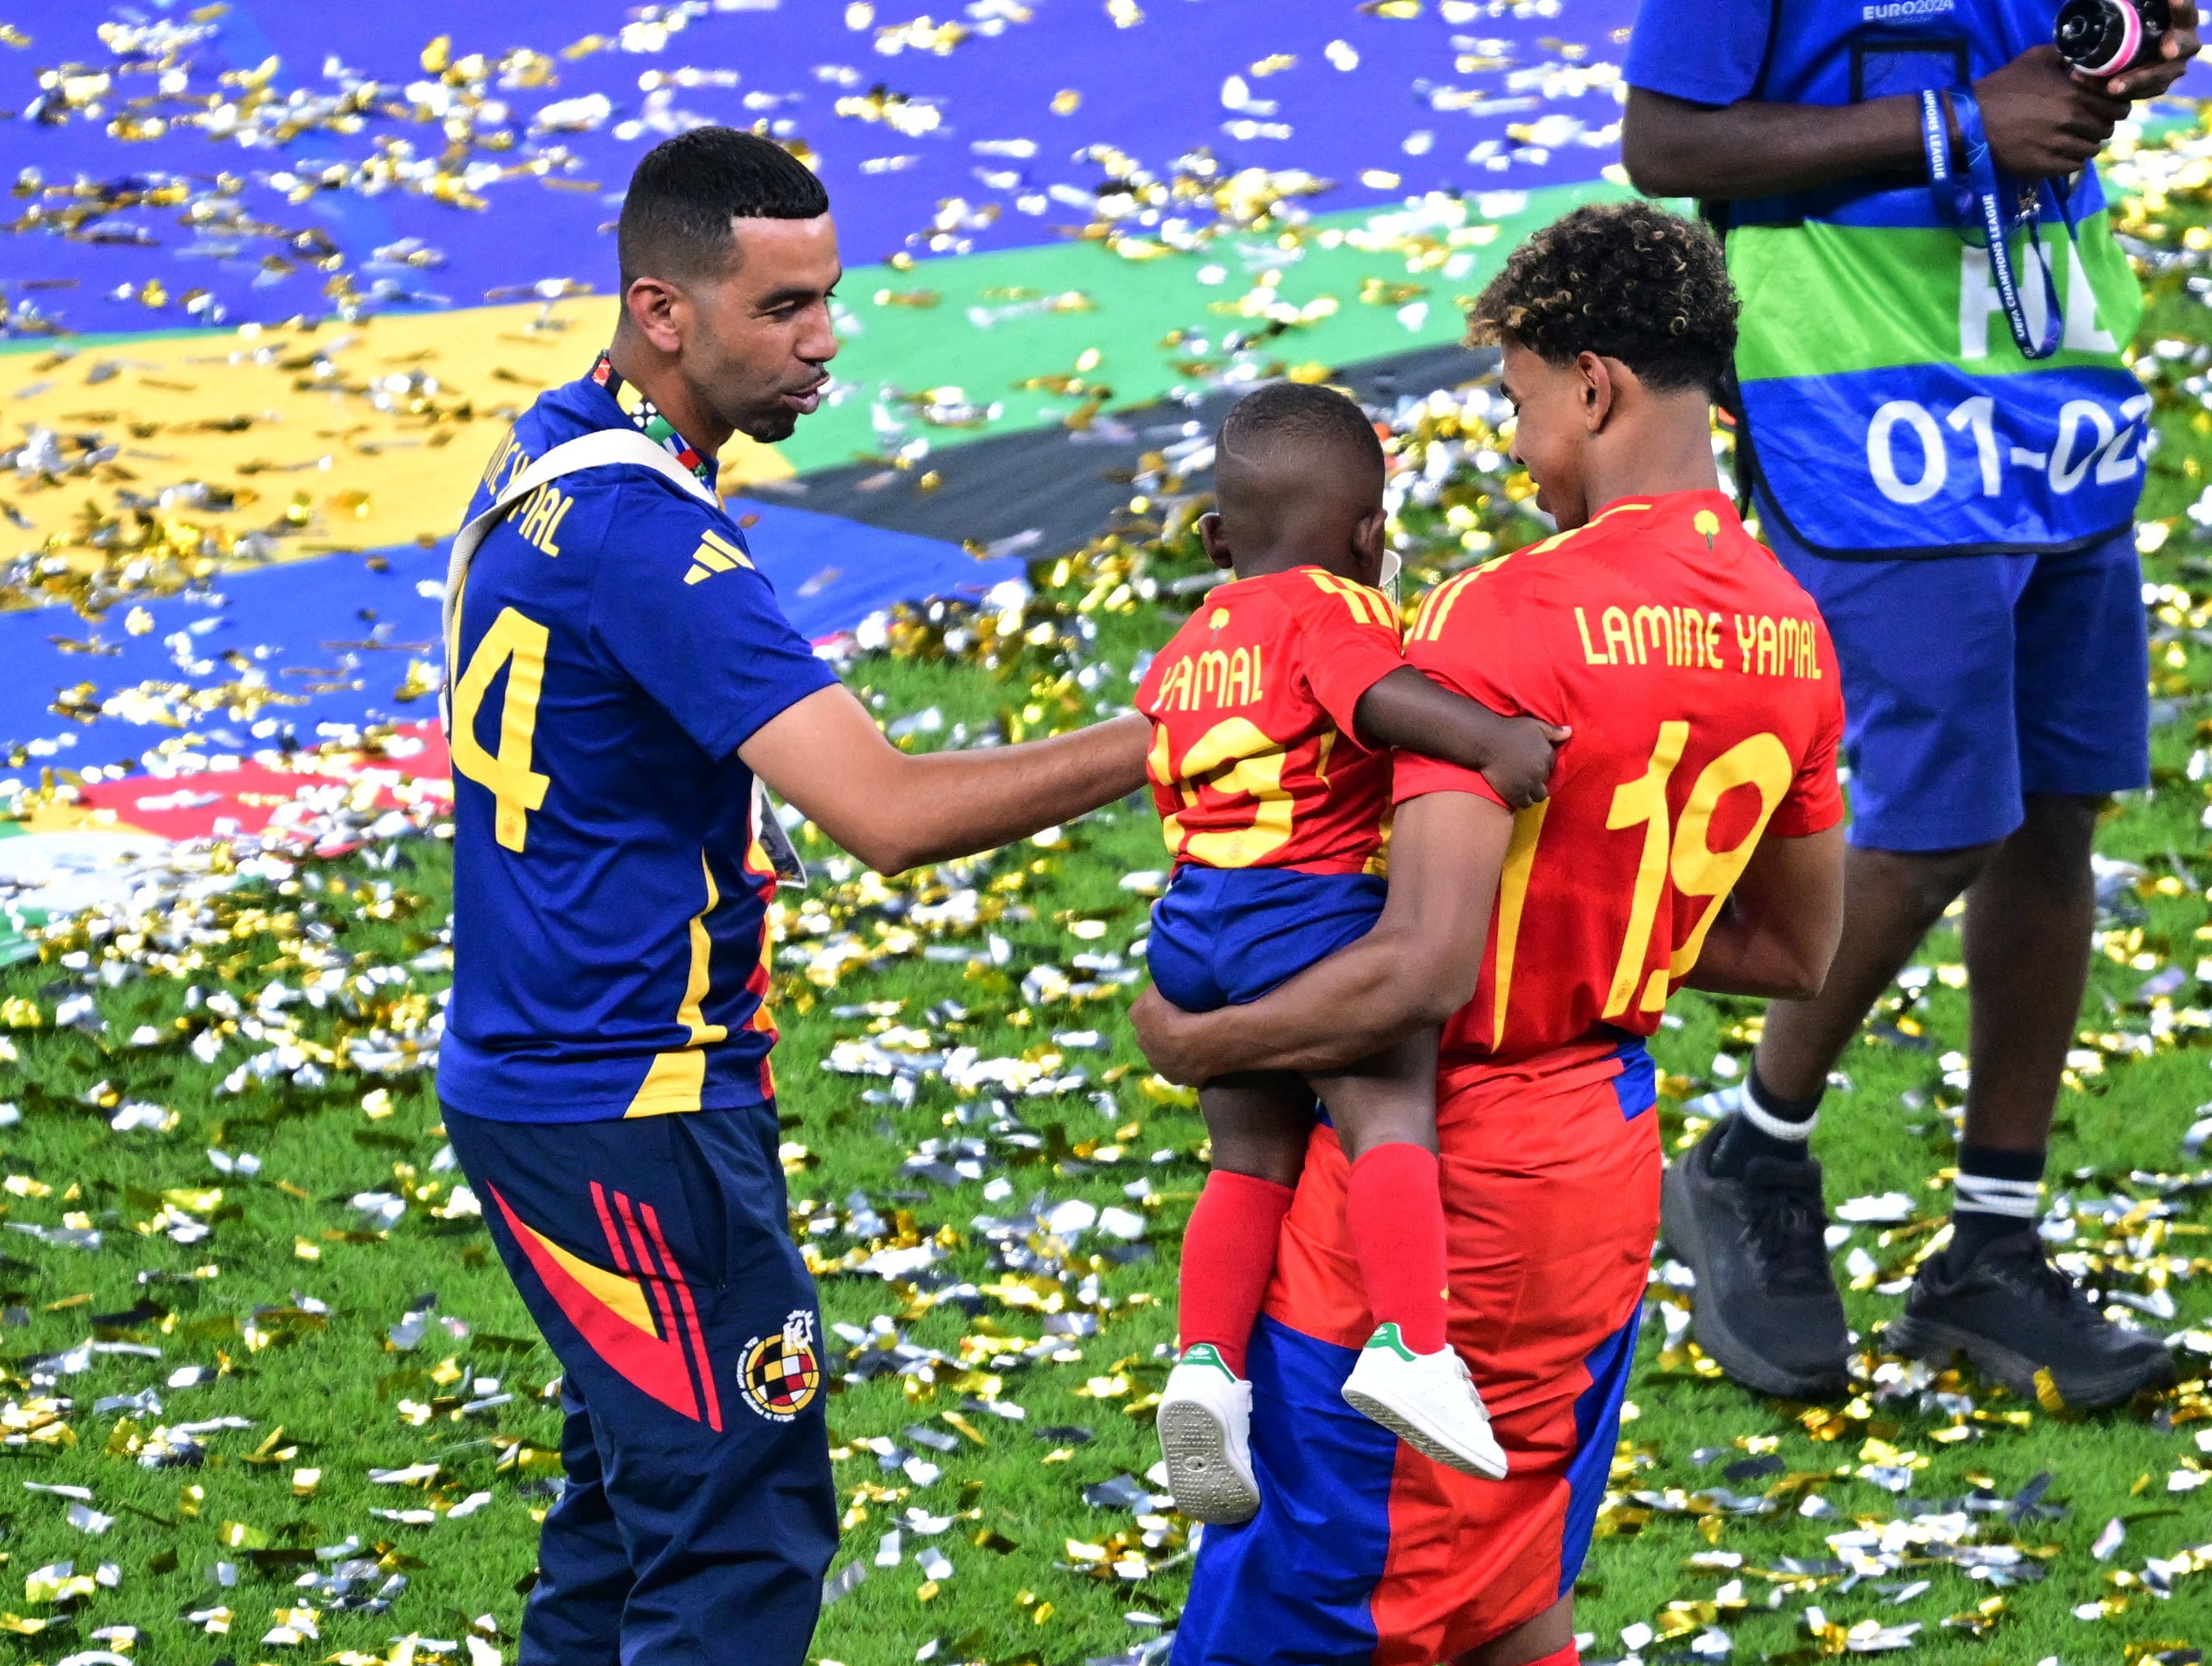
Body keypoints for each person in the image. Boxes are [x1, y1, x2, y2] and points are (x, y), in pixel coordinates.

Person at [434, 127, 1149, 1666]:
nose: (826, 340)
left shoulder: (556, 453)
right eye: (784, 309)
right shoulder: (650, 537)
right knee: (735, 1525)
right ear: (663, 309)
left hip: (549, 1084)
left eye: (830, 298)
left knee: (621, 1529)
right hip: (630, 1111)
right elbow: (884, 812)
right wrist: (1166, 734)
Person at [1134, 201, 1845, 1666]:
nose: (1523, 448)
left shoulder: (1500, 616)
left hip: (1447, 1174)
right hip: (1605, 1165)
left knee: (1307, 1608)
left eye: (1522, 400)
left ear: (1594, 386)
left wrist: (1194, 1038)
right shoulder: (1792, 623)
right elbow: (1790, 950)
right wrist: (1603, 907)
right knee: (1518, 1585)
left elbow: (1424, 963)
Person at [1621, 0, 2199, 1408]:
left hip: (2051, 395)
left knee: (2059, 813)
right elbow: (1662, 144)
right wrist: (1959, 127)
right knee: (1943, 816)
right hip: (1859, 404)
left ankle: (1990, 1251)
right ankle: (1750, 1153)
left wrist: (2132, 52)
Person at [1143, 381, 1565, 1522]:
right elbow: (1374, 700)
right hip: (1305, 905)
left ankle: (1204, 1371)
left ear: (1219, 537)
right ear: (1373, 537)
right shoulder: (1336, 609)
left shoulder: (1186, 645)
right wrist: (1491, 740)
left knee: (1247, 1158)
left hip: (1193, 923)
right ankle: (1413, 1346)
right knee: (1388, 1099)